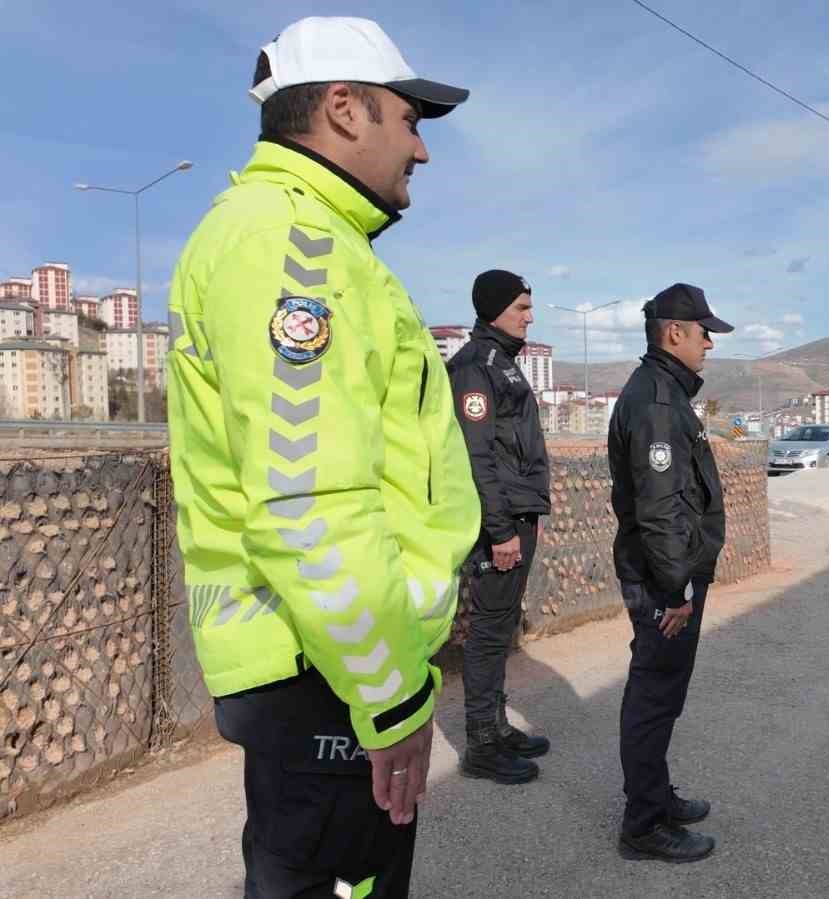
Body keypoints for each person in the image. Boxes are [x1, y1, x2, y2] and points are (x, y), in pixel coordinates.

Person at [165, 17, 477, 896]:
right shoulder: (293, 247)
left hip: (325, 664)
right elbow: (308, 500)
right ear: (343, 108)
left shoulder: (300, 236)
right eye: (409, 119)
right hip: (328, 672)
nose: (421, 149)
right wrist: (389, 699)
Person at [607, 283, 733, 862]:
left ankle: (655, 795)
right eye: (703, 330)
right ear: (673, 332)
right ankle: (644, 824)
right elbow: (659, 510)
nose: (710, 341)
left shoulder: (666, 393)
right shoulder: (658, 402)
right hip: (665, 578)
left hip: (669, 571)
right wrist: (675, 588)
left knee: (663, 691)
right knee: (654, 695)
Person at [447, 269, 552, 784]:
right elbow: (477, 455)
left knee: (501, 625)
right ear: (493, 310)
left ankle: (497, 724)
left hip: (517, 511)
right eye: (521, 308)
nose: (530, 317)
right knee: (488, 631)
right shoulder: (475, 367)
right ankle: (481, 744)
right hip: (502, 520)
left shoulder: (502, 363)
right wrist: (500, 529)